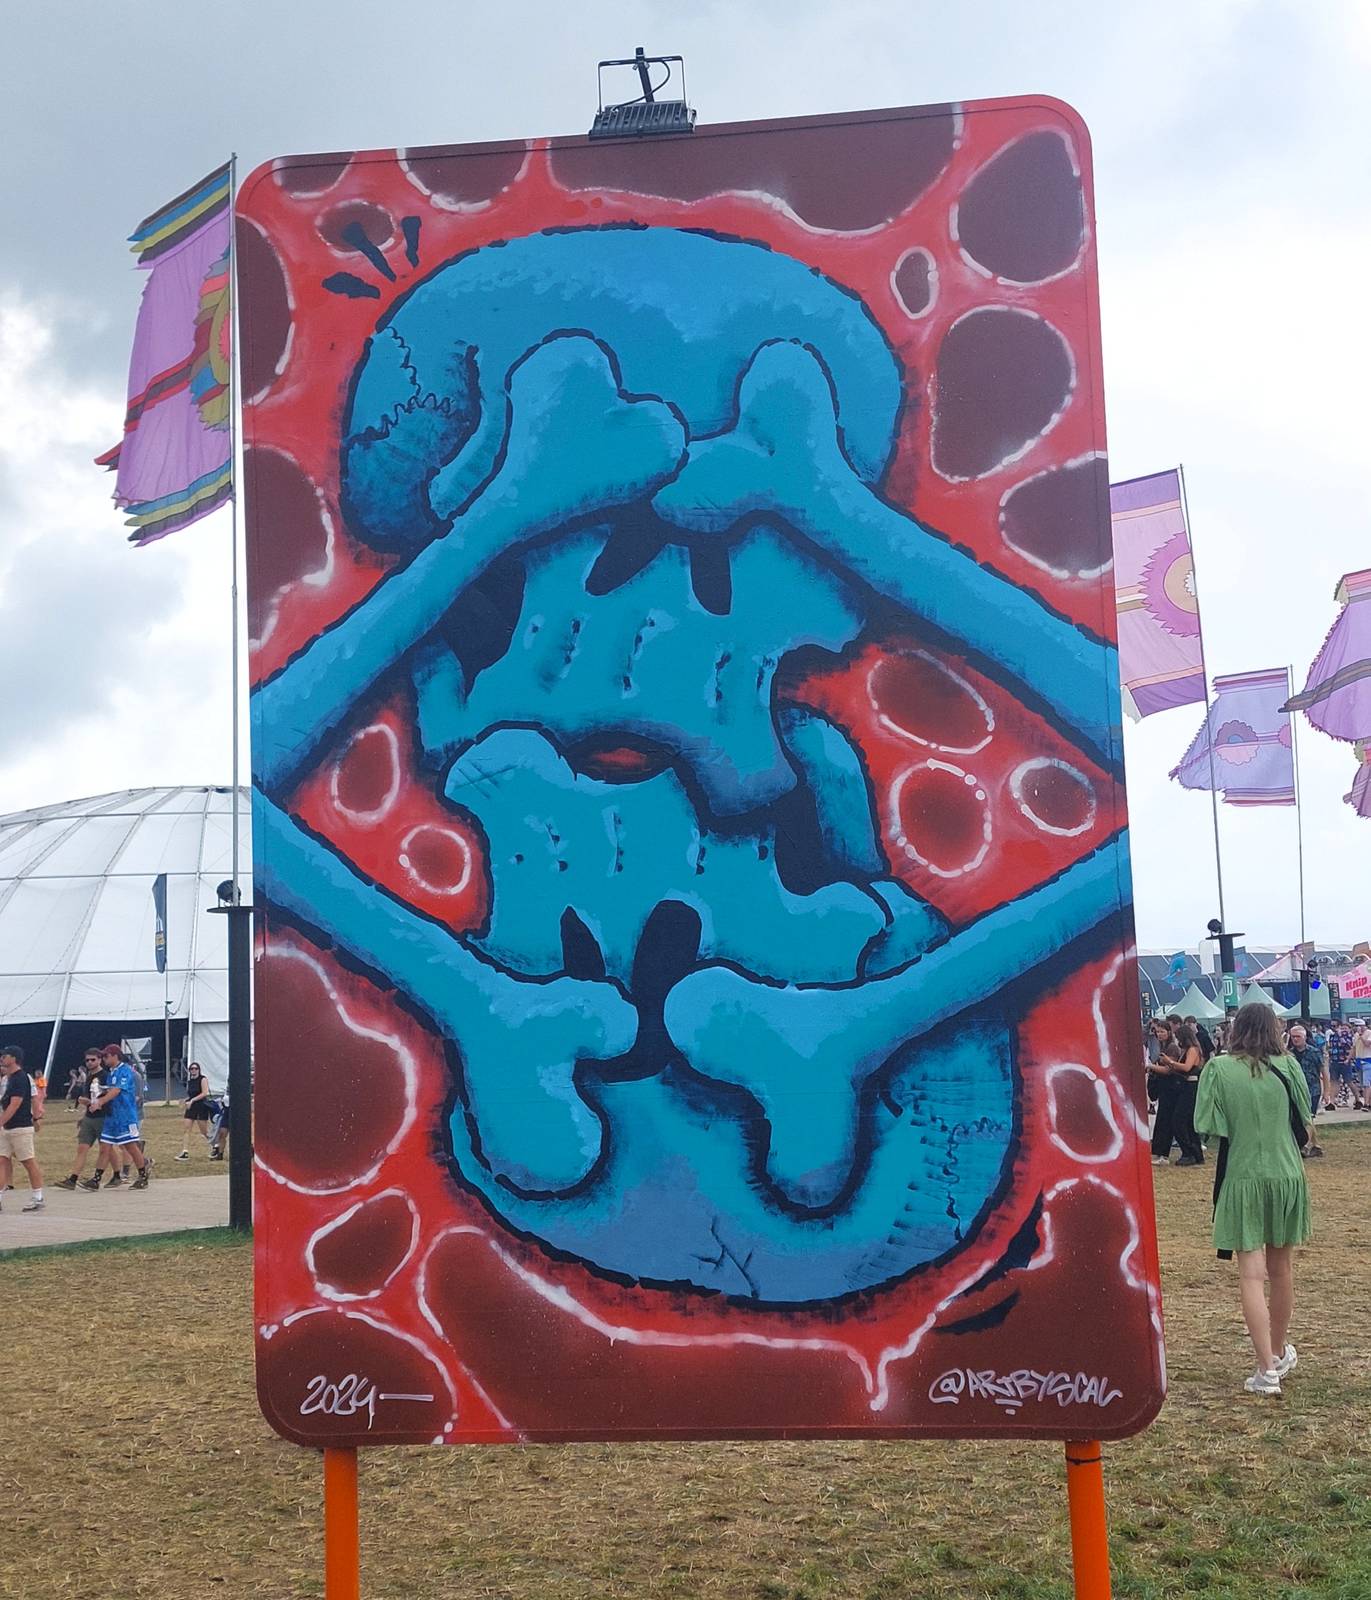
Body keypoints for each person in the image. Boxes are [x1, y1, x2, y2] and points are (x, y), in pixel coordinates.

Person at [1194, 1002, 1312, 1396]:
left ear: (1236, 1029)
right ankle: (1277, 1352)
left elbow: (1207, 1125)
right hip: (1287, 1173)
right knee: (1282, 1269)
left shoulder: (1218, 1070)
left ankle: (1266, 1368)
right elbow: (1306, 1116)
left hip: (1244, 1174)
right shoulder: (1290, 1066)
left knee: (1251, 1274)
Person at [81, 1043, 150, 1191]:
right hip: (112, 1115)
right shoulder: (112, 1073)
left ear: (115, 1056)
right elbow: (109, 1090)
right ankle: (96, 1179)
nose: (104, 1059)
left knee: (131, 1147)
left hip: (125, 1116)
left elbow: (117, 1090)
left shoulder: (125, 1071)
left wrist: (100, 1102)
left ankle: (143, 1176)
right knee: (105, 1146)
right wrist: (96, 1098)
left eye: (106, 1056)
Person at [0, 1044, 46, 1213]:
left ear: (14, 1058)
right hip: (7, 1128)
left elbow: (15, 1104)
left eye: (5, 1056)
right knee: (2, 1160)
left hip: (20, 1127)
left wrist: (1, 1122)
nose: (2, 1058)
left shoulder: (20, 1078)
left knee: (28, 1161)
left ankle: (38, 1197)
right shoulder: (8, 1078)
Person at [54, 1050, 108, 1189]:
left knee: (105, 1149)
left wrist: (91, 1102)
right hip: (89, 1117)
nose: (90, 1062)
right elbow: (88, 1098)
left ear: (100, 1060)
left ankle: (98, 1178)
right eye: (87, 1060)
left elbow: (108, 1098)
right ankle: (73, 1179)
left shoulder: (105, 1076)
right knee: (82, 1148)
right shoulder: (89, 1077)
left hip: (103, 1117)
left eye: (93, 1059)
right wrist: (84, 1114)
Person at [1286, 1024, 1326, 1159]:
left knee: (1308, 1117)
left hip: (1312, 1089)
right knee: (1304, 1117)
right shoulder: (1289, 1054)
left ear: (1304, 1037)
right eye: (1293, 1037)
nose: (1295, 1039)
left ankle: (1305, 1145)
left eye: (1298, 1036)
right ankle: (1316, 1145)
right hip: (1296, 1090)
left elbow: (1324, 1072)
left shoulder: (1314, 1052)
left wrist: (1327, 1092)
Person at [1169, 1023, 1206, 1166]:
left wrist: (1170, 1062)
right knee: (1189, 1123)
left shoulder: (1192, 1050)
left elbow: (1187, 1067)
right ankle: (1196, 1154)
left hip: (1190, 1087)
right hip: (1186, 1086)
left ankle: (1189, 1152)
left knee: (1179, 1120)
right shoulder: (1189, 1049)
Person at [1149, 1019, 1183, 1165]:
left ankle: (1163, 1154)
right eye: (1157, 1032)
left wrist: (1150, 1067)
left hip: (1171, 1088)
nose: (1159, 1034)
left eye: (1162, 1031)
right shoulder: (1162, 1046)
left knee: (1166, 1120)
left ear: (1168, 1032)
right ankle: (1160, 1152)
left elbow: (1169, 1070)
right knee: (1162, 1119)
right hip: (1164, 1087)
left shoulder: (1172, 1048)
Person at [176, 1062, 212, 1159]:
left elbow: (204, 1093)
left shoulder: (203, 1079)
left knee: (204, 1131)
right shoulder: (190, 1081)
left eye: (196, 1068)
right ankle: (185, 1151)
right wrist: (185, 1100)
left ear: (199, 1070)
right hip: (191, 1107)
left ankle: (215, 1145)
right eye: (192, 1069)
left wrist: (192, 1100)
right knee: (186, 1129)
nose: (194, 1070)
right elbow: (191, 1095)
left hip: (201, 1106)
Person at [1326, 1021, 1356, 1109]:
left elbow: (1348, 1046)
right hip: (1334, 1061)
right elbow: (1330, 1047)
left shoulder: (1349, 1037)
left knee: (1349, 1081)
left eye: (1345, 1028)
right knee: (1333, 1081)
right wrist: (1329, 1057)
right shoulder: (1332, 1036)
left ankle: (1357, 1099)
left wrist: (1340, 1036)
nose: (1343, 1030)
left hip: (1345, 1062)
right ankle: (1332, 1102)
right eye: (1342, 1028)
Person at [1353, 1022, 1371, 1110]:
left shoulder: (1369, 1033)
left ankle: (1366, 1103)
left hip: (1367, 1060)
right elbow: (1354, 1047)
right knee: (1362, 1084)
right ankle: (1368, 1102)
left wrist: (1361, 1036)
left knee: (1367, 1083)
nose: (1358, 1027)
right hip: (1358, 1060)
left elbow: (1367, 1044)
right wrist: (1349, 1058)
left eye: (1359, 1026)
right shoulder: (1355, 1035)